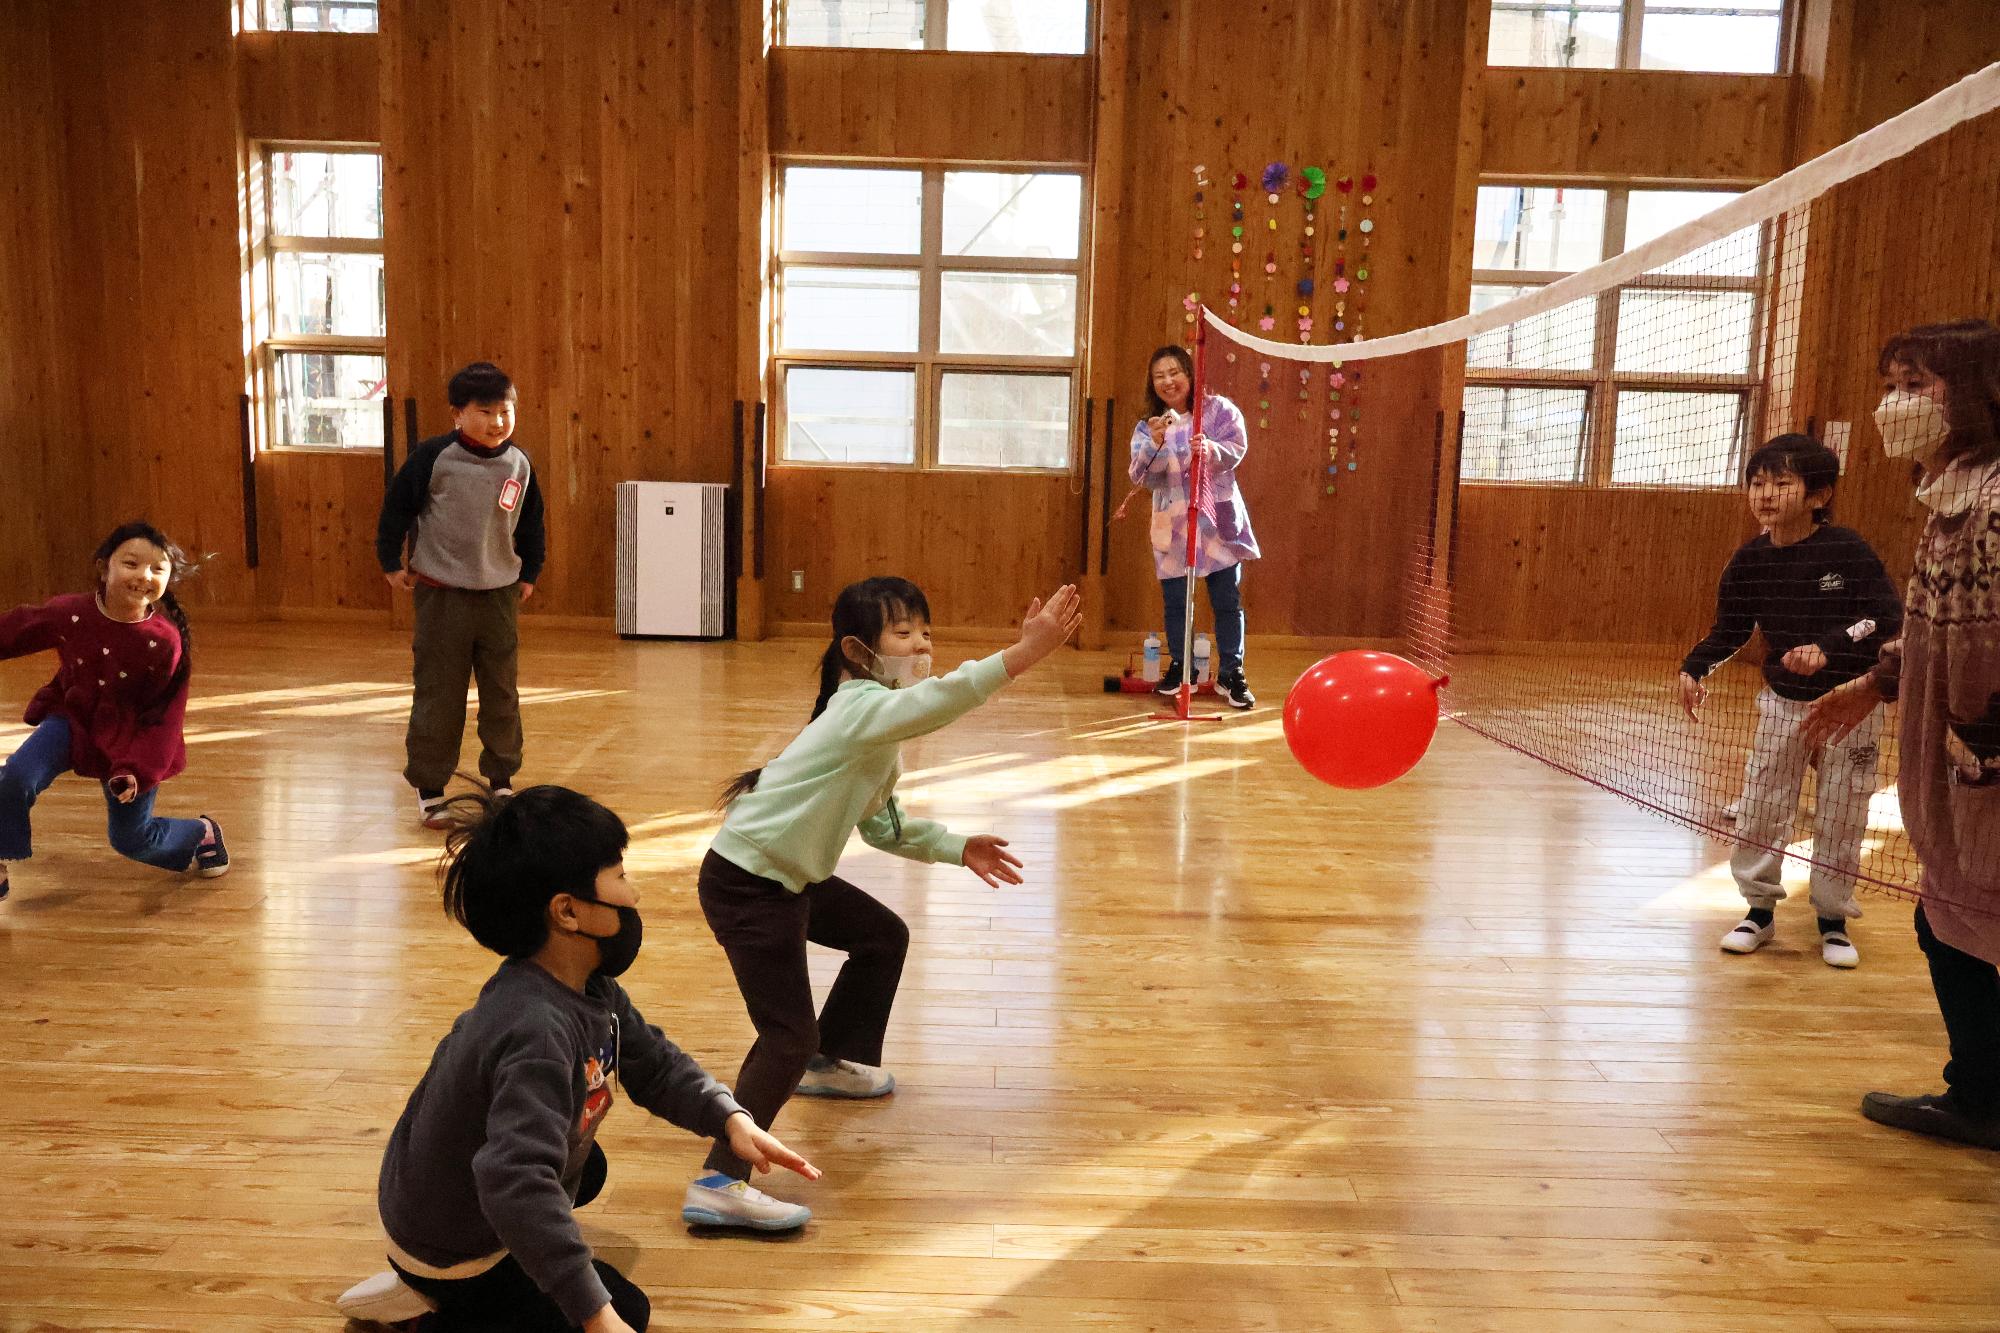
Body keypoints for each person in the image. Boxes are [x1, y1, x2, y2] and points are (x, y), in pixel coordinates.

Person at [339, 786, 817, 1331]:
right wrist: (595, 1315)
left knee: (586, 1168)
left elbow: (654, 1064)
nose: (633, 894)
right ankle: (441, 1303)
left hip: (445, 1195)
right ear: (567, 911)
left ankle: (451, 1287)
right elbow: (514, 1181)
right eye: (620, 877)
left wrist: (729, 1119)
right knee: (625, 1309)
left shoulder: (587, 987)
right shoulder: (536, 1031)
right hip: (454, 1246)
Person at [686, 577, 1083, 1229]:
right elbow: (941, 699)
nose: (922, 645)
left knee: (880, 935)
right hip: (750, 881)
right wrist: (1023, 654)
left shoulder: (873, 724)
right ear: (858, 650)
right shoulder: (859, 708)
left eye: (926, 631)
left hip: (787, 876)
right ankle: (717, 1181)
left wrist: (959, 846)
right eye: (904, 633)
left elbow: (881, 826)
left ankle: (827, 1064)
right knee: (784, 1035)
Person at [1805, 319, 2000, 1149]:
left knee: (1953, 917)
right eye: (1890, 384)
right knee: (1950, 914)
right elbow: (1932, 627)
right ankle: (1981, 1096)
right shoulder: (1953, 493)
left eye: (1915, 385)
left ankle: (1980, 1100)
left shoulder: (1993, 505)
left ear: (1975, 393)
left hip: (1985, 755)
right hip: (1963, 752)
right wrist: (1874, 682)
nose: (1895, 404)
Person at [1678, 435, 1900, 967]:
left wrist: (1830, 648)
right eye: (1758, 483)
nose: (1766, 494)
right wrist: (1693, 666)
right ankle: (1758, 911)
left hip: (1850, 703)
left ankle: (1833, 919)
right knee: (1761, 805)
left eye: (1782, 483)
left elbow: (1884, 620)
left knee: (1844, 808)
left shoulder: (1847, 549)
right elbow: (1731, 629)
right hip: (1782, 702)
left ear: (1818, 495)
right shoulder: (1750, 559)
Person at [0, 522, 228, 897]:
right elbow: (15, 629)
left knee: (131, 839)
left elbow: (163, 720)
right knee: (16, 777)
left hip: (129, 740)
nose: (143, 575)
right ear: (104, 567)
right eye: (132, 563)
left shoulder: (165, 642)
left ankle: (202, 832)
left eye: (158, 569)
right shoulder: (70, 613)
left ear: (169, 580)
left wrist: (135, 770)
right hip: (71, 719)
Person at [377, 361, 546, 828]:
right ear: (457, 414)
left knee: (501, 692)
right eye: (485, 411)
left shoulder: (519, 464)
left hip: (499, 598)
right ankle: (431, 790)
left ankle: (502, 780)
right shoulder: (434, 458)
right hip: (442, 596)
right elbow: (396, 508)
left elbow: (531, 525)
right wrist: (391, 561)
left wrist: (529, 571)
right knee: (438, 692)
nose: (498, 422)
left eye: (506, 411)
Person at [1129, 345, 1259, 709]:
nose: (1168, 381)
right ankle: (1180, 666)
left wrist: (1212, 450)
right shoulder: (1149, 427)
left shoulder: (1219, 411)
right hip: (1172, 527)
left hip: (1215, 522)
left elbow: (1236, 447)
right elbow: (1141, 478)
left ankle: (1232, 672)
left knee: (1226, 600)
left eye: (1175, 372)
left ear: (1190, 373)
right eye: (1159, 376)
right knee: (1175, 604)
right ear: (1152, 385)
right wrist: (1153, 444)